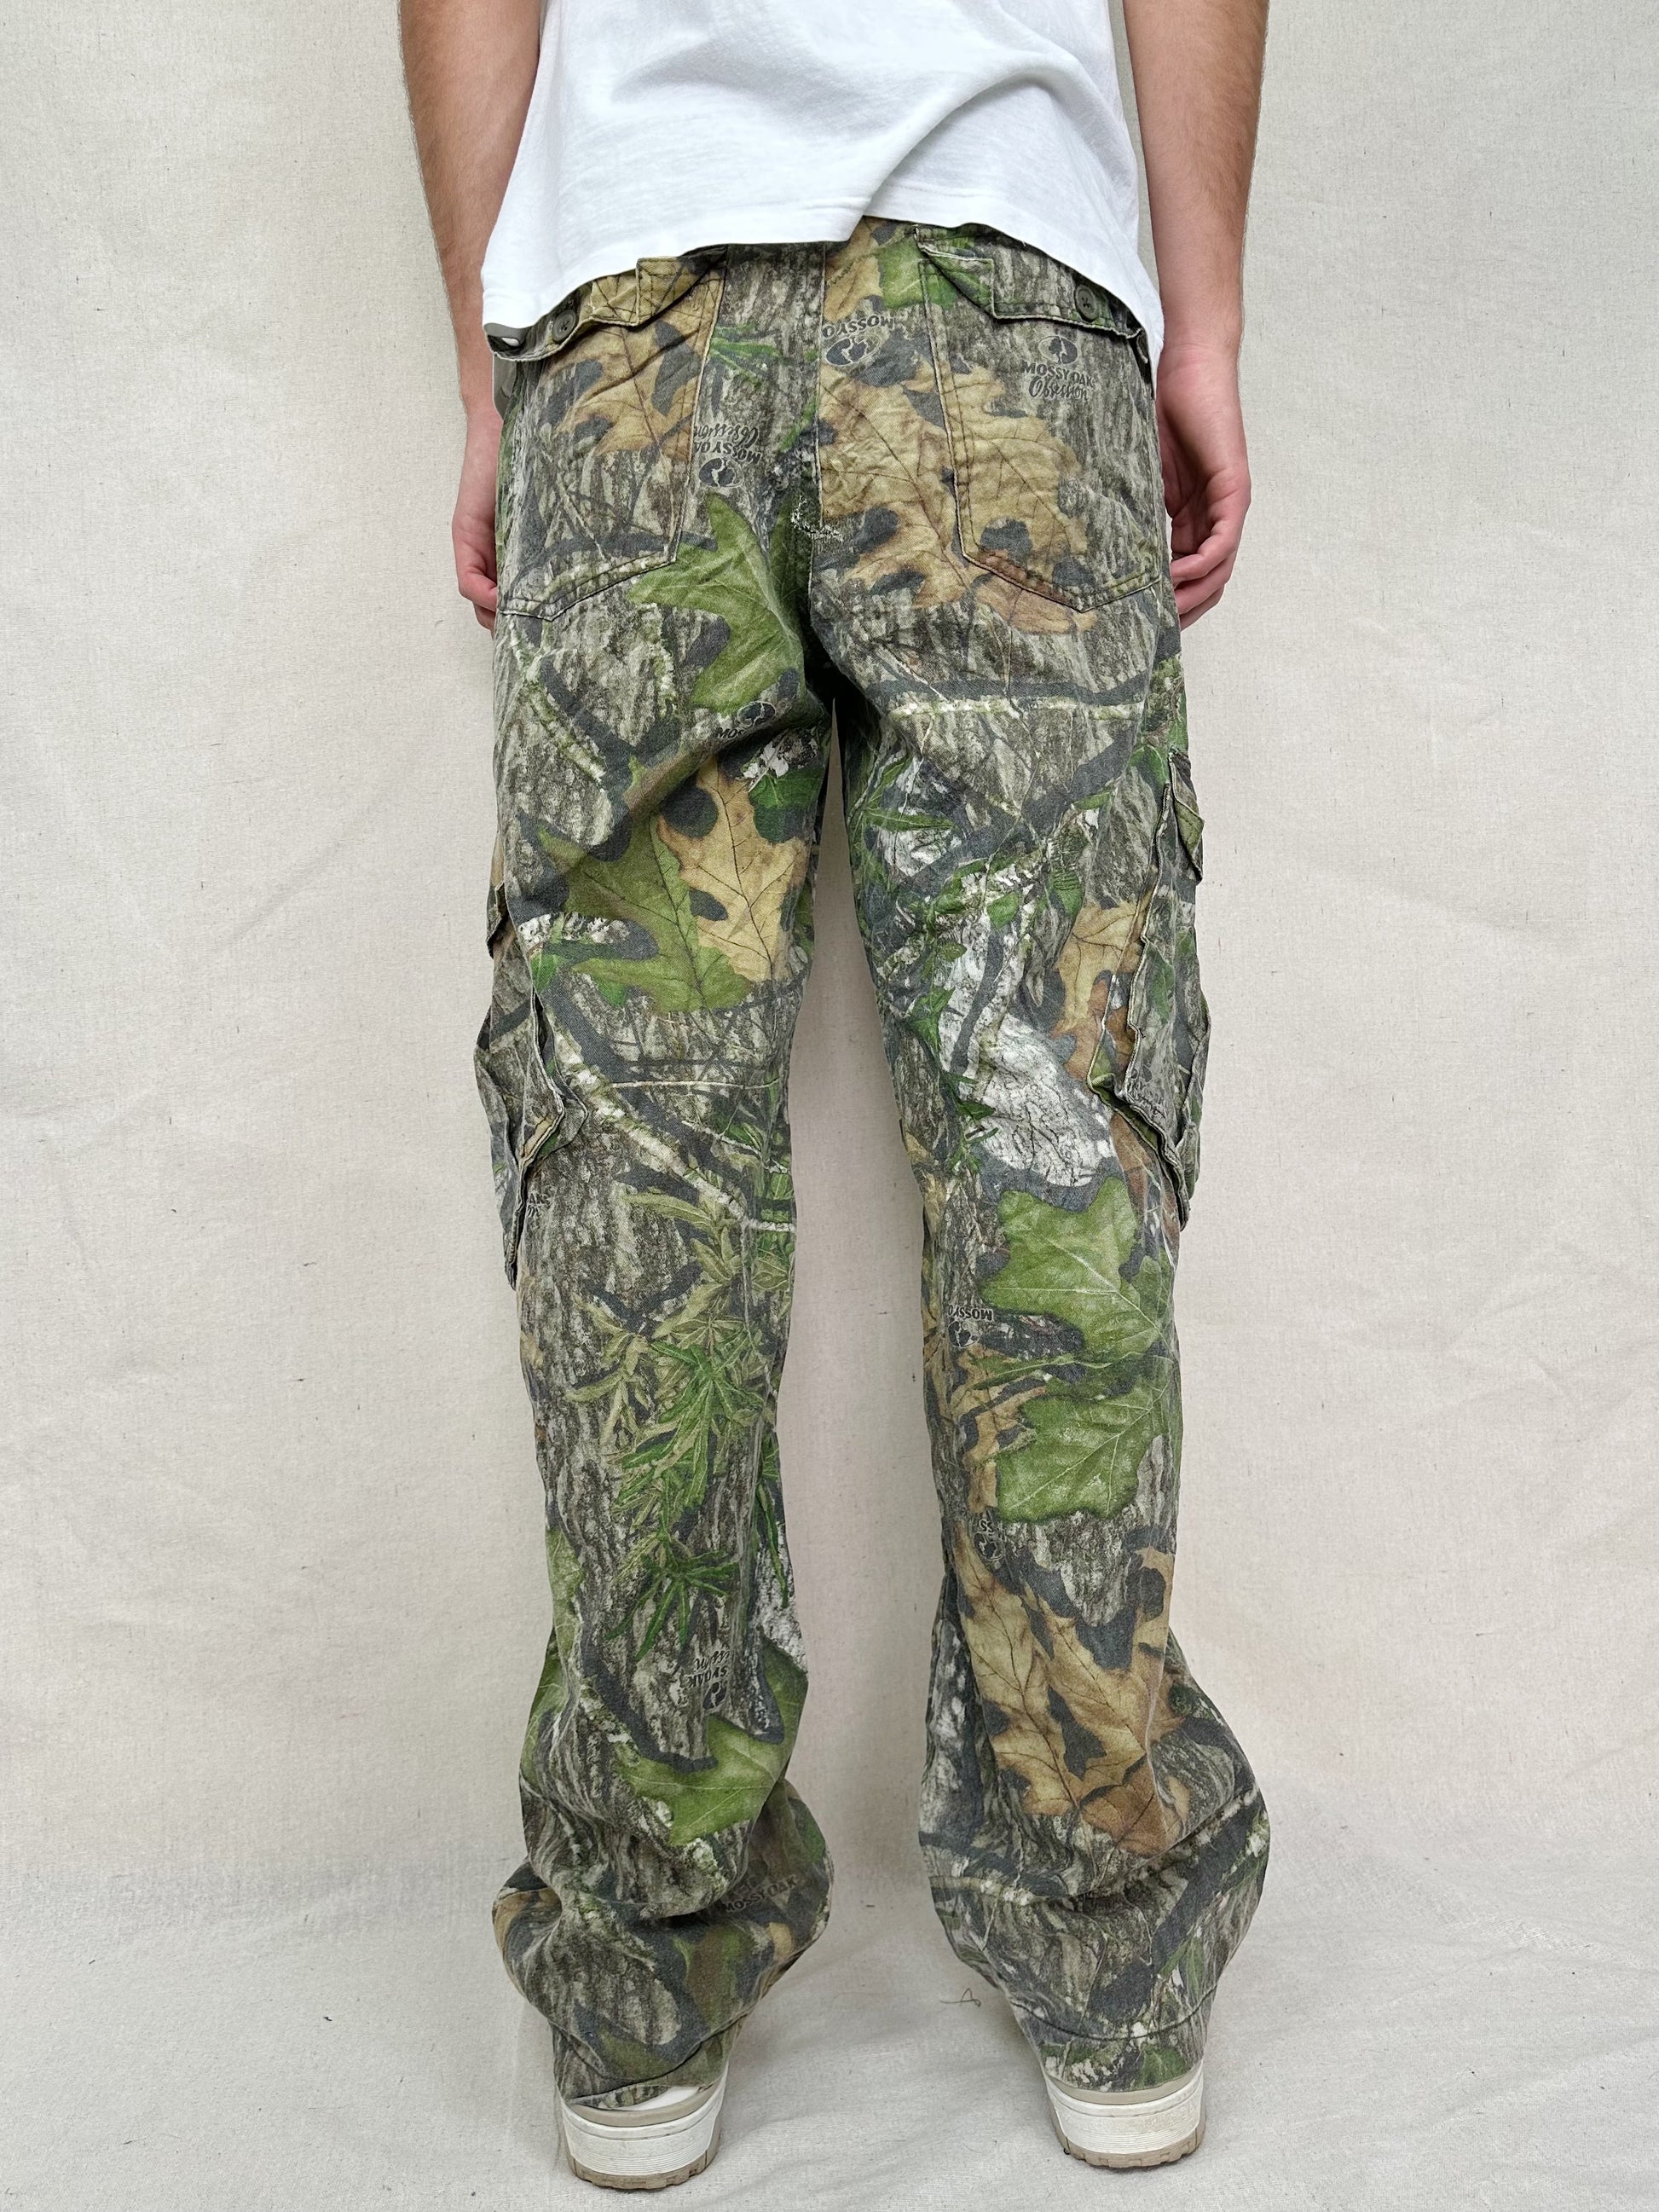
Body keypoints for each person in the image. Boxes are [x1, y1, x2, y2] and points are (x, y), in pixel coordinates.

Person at [401, 0, 1270, 2186]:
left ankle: (636, 1975)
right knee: (1053, 1151)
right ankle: (1108, 1940)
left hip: (631, 334)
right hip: (1007, 308)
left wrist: (501, 362)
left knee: (637, 1182)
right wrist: (1202, 319)